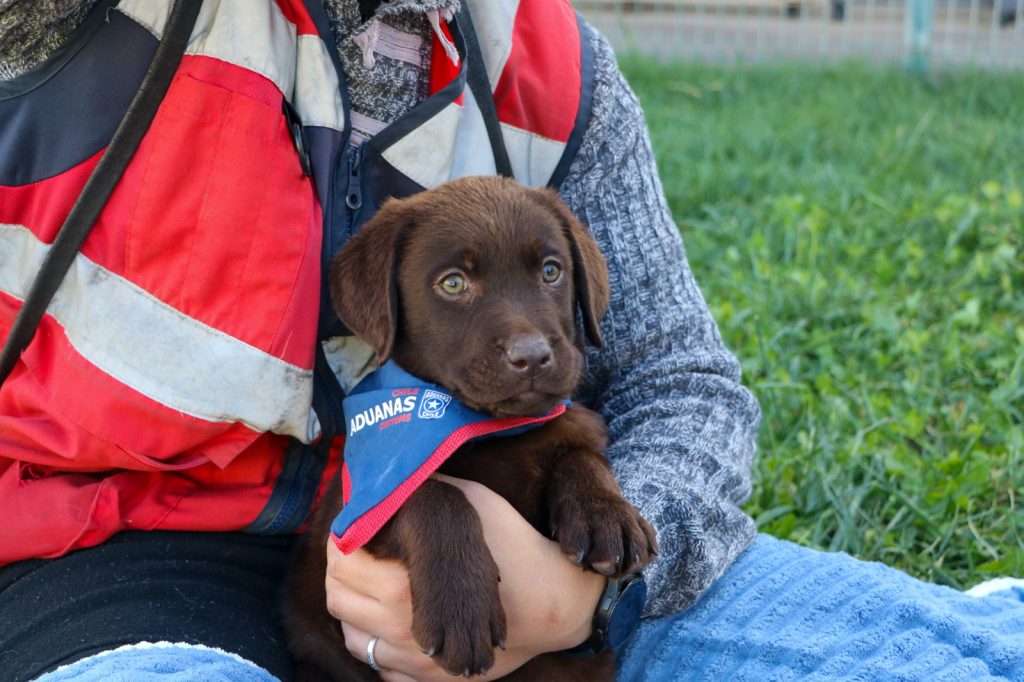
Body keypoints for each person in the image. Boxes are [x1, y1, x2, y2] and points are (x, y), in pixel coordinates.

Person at [0, 2, 1021, 682]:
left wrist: (583, 582)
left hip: (535, 538)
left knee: (960, 659)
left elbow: (682, 380)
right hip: (120, 553)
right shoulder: (62, 25)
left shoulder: (546, 57)